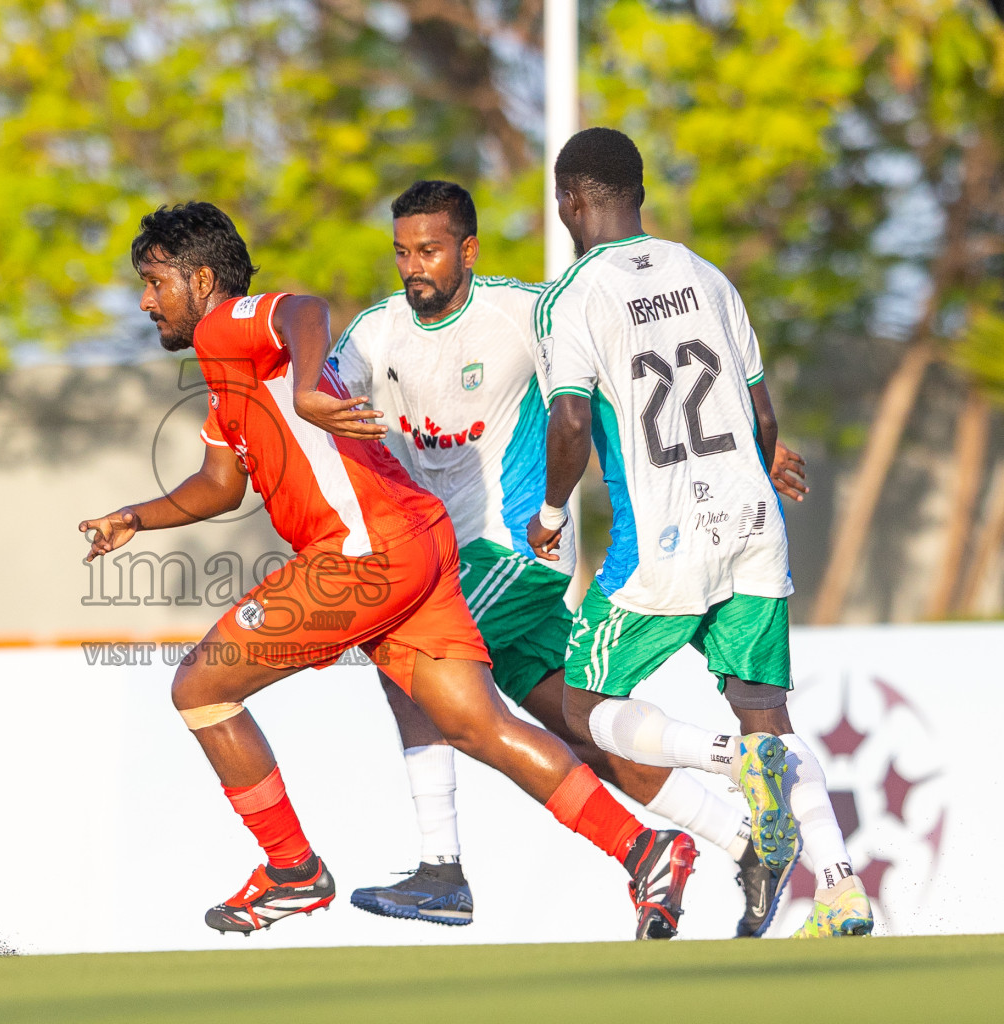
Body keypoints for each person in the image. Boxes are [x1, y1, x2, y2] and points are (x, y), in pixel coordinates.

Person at [79, 202, 697, 940]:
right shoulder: (227, 378)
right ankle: (647, 850)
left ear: (201, 278)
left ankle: (290, 871)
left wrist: (312, 387)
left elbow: (302, 308)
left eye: (153, 282)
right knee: (480, 725)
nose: (145, 301)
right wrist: (135, 516)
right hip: (418, 542)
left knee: (200, 686)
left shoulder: (225, 325)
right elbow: (220, 485)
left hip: (364, 554)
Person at [333, 179, 811, 937]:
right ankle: (740, 836)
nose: (413, 266)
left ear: (468, 249)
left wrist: (762, 444)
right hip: (445, 561)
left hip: (517, 549)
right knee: (584, 725)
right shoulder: (375, 332)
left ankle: (441, 869)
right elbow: (318, 393)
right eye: (401, 252)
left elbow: (636, 364)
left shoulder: (522, 311)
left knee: (401, 653)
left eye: (428, 250)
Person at [527, 127, 871, 938]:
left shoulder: (571, 297)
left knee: (580, 707)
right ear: (637, 192)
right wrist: (759, 466)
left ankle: (732, 764)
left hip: (665, 543)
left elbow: (571, 421)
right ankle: (843, 888)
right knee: (767, 711)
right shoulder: (706, 275)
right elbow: (760, 413)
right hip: (753, 524)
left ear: (572, 199)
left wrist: (548, 515)